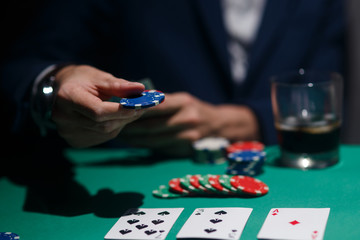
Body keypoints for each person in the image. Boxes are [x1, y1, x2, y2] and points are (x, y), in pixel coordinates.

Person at [1, 0, 345, 158]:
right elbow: (22, 63)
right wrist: (56, 84)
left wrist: (245, 121)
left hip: (277, 165)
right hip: (128, 167)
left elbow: (323, 95)